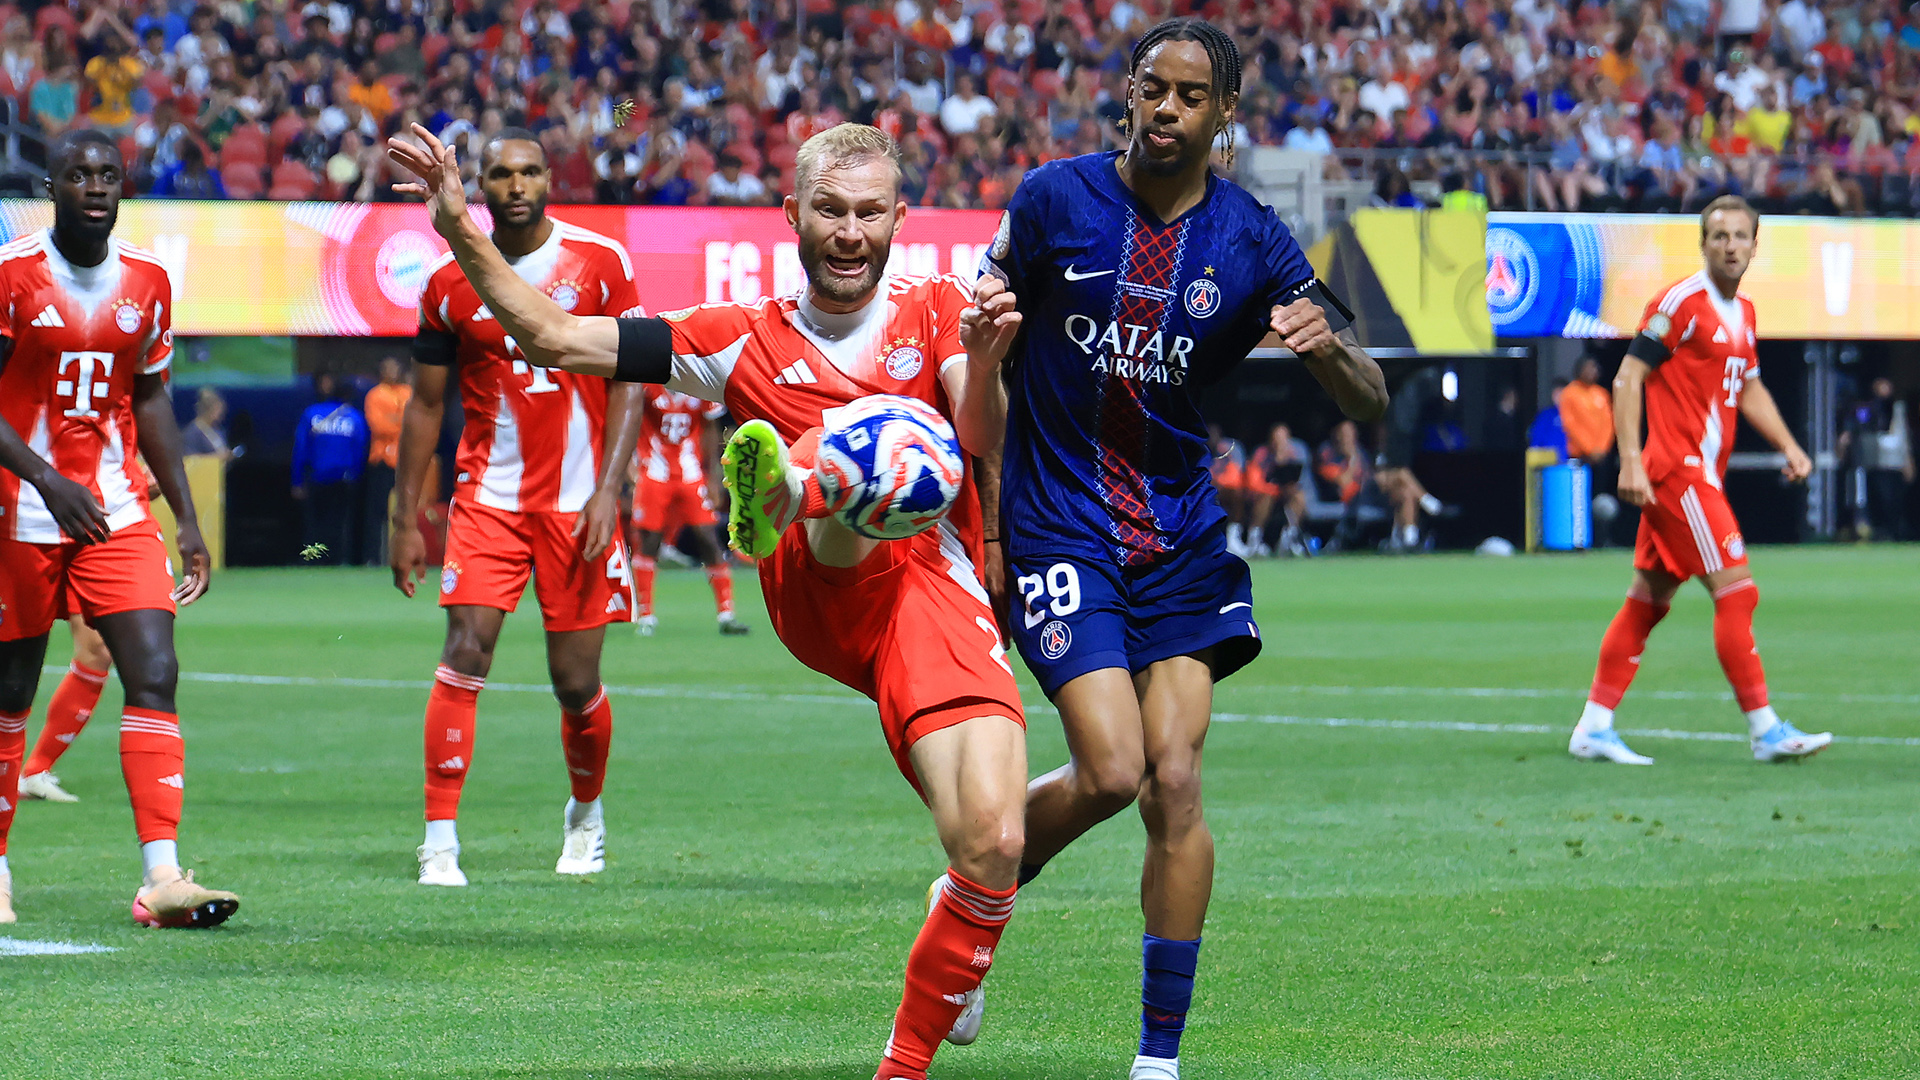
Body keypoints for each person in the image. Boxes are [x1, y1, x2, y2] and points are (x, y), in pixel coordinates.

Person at [389, 120, 1028, 1080]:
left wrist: (982, 362)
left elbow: (977, 437)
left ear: (899, 219)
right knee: (860, 434)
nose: (849, 233)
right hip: (814, 576)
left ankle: (908, 1050)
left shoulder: (938, 307)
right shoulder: (737, 337)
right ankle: (792, 486)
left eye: (868, 213)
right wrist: (458, 228)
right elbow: (554, 335)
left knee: (991, 841)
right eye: (828, 211)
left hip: (927, 584)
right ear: (792, 216)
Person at [980, 20, 1387, 1079]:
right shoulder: (1053, 200)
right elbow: (974, 345)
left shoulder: (1254, 239)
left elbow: (1373, 400)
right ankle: (977, 891)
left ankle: (1159, 1059)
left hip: (1181, 539)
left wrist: (1330, 354)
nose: (1164, 109)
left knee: (1175, 779)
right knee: (1112, 771)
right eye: (1150, 88)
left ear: (1225, 115)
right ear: (1127, 92)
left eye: (1189, 95)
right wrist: (978, 513)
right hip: (1061, 523)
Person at [389, 127, 644, 889]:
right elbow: (425, 407)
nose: (516, 184)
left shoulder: (602, 263)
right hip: (486, 503)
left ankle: (586, 815)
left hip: (577, 507)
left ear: (548, 179)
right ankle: (439, 839)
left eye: (530, 170)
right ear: (483, 186)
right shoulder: (445, 282)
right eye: (500, 173)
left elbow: (633, 376)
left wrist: (609, 488)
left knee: (575, 683)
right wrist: (407, 517)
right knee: (464, 651)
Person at [0, 130, 237, 927]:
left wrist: (190, 519)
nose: (94, 187)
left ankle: (163, 878)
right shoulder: (12, 275)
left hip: (115, 510)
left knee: (155, 668)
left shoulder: (150, 279)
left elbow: (152, 398)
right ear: (52, 187)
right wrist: (43, 478)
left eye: (107, 175)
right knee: (9, 693)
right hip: (19, 510)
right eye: (78, 175)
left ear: (123, 186)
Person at [1569, 196, 1830, 767]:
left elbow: (1750, 386)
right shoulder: (1681, 303)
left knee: (1647, 603)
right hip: (1675, 472)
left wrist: (1789, 446)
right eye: (1718, 236)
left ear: (1755, 245)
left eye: (1740, 236)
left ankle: (1593, 727)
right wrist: (1631, 459)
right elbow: (1627, 378)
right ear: (1703, 244)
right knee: (1739, 591)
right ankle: (1765, 730)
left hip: (1694, 472)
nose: (1730, 245)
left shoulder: (1745, 313)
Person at [630, 387, 748, 636]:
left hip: (691, 473)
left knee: (708, 539)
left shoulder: (698, 387)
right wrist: (631, 465)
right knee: (649, 542)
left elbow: (710, 427)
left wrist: (714, 479)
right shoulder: (648, 386)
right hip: (653, 472)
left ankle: (727, 614)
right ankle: (646, 616)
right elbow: (629, 417)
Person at [292, 372, 369, 566]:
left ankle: (313, 561)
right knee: (341, 522)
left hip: (317, 476)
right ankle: (340, 560)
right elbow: (360, 449)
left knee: (315, 523)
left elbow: (301, 449)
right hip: (344, 478)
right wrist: (356, 476)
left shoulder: (311, 413)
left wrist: (297, 480)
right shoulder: (355, 417)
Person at [1838, 377, 1913, 541]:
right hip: (1874, 461)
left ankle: (1896, 531)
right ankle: (1878, 530)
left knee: (1894, 499)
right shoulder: (1866, 407)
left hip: (1894, 462)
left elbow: (1903, 436)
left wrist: (1908, 462)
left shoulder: (1897, 408)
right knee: (1876, 497)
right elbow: (1857, 427)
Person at [362, 356, 410, 566]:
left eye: (395, 368)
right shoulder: (375, 395)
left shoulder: (407, 393)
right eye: (388, 368)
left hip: (405, 461)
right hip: (382, 460)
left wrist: (395, 421)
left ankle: (404, 555)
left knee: (405, 509)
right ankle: (373, 557)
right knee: (377, 511)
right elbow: (378, 426)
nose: (392, 371)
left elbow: (414, 424)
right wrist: (399, 422)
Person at [1247, 422, 1311, 556]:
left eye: (1282, 439)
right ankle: (1255, 539)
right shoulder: (1261, 453)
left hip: (1286, 494)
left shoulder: (1294, 454)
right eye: (1276, 439)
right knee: (1266, 497)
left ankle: (1289, 537)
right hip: (1264, 493)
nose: (1279, 443)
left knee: (1299, 497)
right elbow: (1254, 481)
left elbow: (1298, 480)